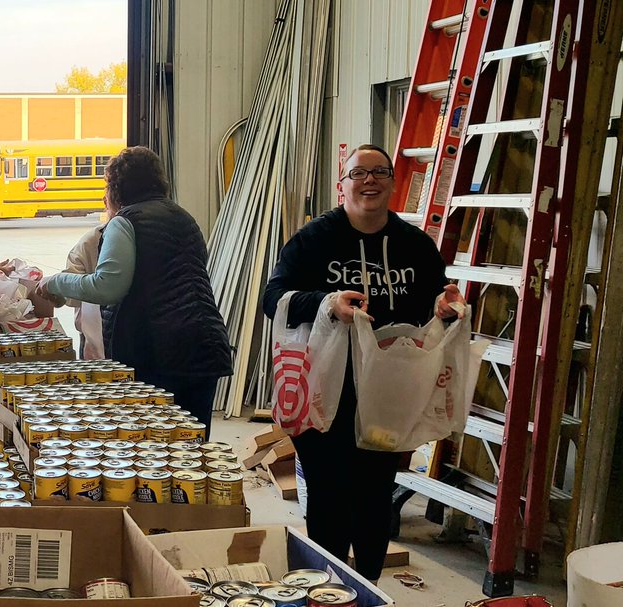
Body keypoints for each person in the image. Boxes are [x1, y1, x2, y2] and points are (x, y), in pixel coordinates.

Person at [261, 143, 465, 581]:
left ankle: (370, 587)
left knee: (374, 496)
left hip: (388, 396)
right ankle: (328, 588)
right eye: (358, 173)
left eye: (379, 172)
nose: (369, 180)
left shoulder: (414, 245)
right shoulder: (314, 240)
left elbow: (435, 295)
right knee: (329, 498)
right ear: (343, 185)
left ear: (393, 182)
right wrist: (327, 303)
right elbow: (272, 298)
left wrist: (444, 306)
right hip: (327, 395)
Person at [40, 147, 232, 435]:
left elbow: (107, 287)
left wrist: (55, 282)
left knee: (153, 444)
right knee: (192, 445)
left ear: (115, 188)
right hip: (205, 346)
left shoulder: (125, 222)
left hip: (158, 353)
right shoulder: (183, 217)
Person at [63, 208, 113, 359]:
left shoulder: (90, 240)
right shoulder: (89, 242)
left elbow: (70, 297)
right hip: (97, 334)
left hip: (97, 333)